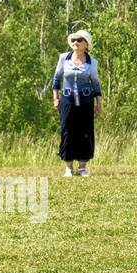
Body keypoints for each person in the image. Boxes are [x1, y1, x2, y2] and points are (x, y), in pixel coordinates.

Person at [53, 30, 102, 177]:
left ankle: (82, 167)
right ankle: (68, 167)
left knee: (85, 133)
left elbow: (95, 84)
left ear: (86, 44)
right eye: (73, 39)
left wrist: (99, 104)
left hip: (86, 102)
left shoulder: (92, 62)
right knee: (67, 131)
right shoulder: (63, 58)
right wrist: (55, 98)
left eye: (79, 40)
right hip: (67, 100)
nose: (75, 42)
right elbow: (56, 79)